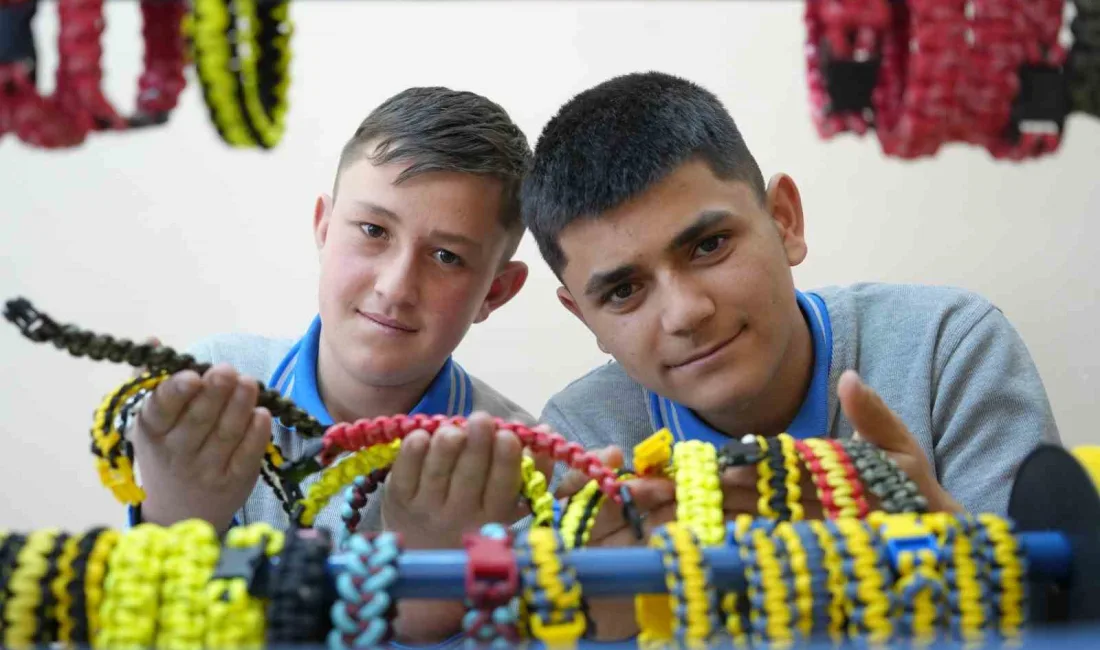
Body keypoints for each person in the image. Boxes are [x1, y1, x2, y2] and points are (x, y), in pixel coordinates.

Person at [520, 71, 1062, 639]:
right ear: (585, 317)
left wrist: (946, 549)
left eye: (709, 246)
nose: (685, 313)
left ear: (784, 220)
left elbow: (1061, 620)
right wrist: (602, 629)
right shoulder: (580, 444)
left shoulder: (946, 351)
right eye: (624, 291)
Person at [128, 86, 539, 642]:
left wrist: (431, 596)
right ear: (324, 226)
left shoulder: (529, 469)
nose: (395, 288)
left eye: (447, 257)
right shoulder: (208, 393)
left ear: (496, 291)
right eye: (373, 231)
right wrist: (174, 522)